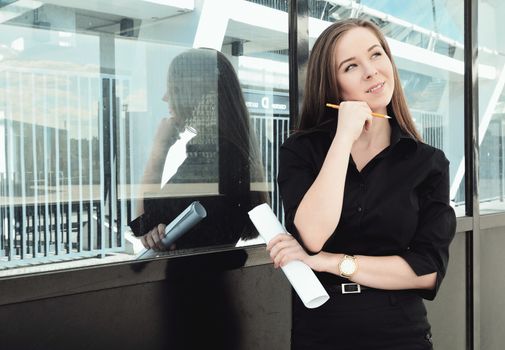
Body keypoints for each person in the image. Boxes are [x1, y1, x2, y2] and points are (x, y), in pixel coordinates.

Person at [266, 18, 456, 350]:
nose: (371, 71)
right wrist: (343, 137)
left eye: (376, 55)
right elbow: (312, 234)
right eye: (351, 66)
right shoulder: (302, 150)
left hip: (400, 334)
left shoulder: (427, 163)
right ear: (333, 86)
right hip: (323, 332)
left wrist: (328, 262)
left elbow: (427, 271)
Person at [128, 48, 268, 251]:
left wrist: (159, 149)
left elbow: (142, 224)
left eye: (174, 89)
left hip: (196, 278)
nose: (165, 97)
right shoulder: (229, 151)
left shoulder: (212, 158)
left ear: (194, 95)